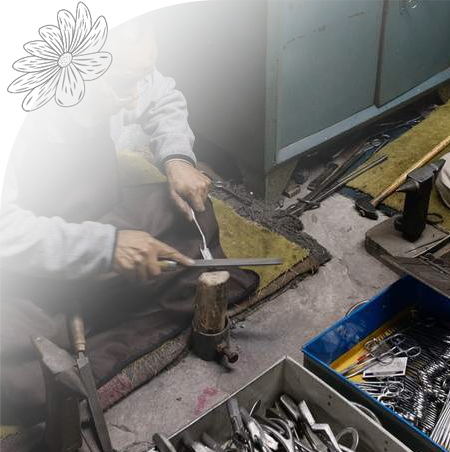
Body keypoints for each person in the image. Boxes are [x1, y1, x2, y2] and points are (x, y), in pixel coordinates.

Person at [0, 3, 258, 424]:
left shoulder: (121, 74)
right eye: (123, 84)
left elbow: (163, 96)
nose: (135, 97)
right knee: (20, 380)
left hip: (99, 221)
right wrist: (106, 249)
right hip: (25, 270)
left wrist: (177, 159)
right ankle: (95, 318)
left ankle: (90, 318)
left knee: (190, 213)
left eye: (140, 79)